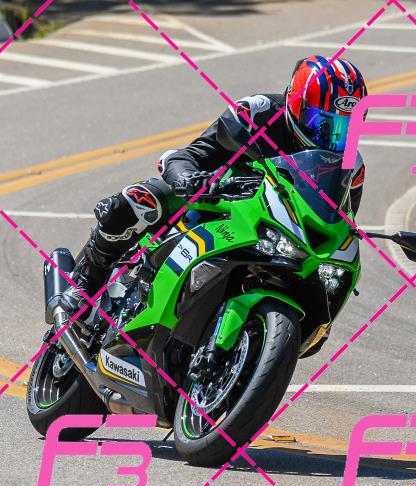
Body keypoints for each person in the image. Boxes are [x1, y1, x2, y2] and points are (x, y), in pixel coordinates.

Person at [62, 54, 368, 309]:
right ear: (296, 104)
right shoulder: (257, 114)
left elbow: (339, 220)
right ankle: (87, 279)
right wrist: (187, 178)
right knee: (137, 202)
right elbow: (191, 155)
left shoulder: (350, 166)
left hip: (275, 230)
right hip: (214, 198)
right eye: (323, 124)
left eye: (346, 128)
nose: (333, 137)